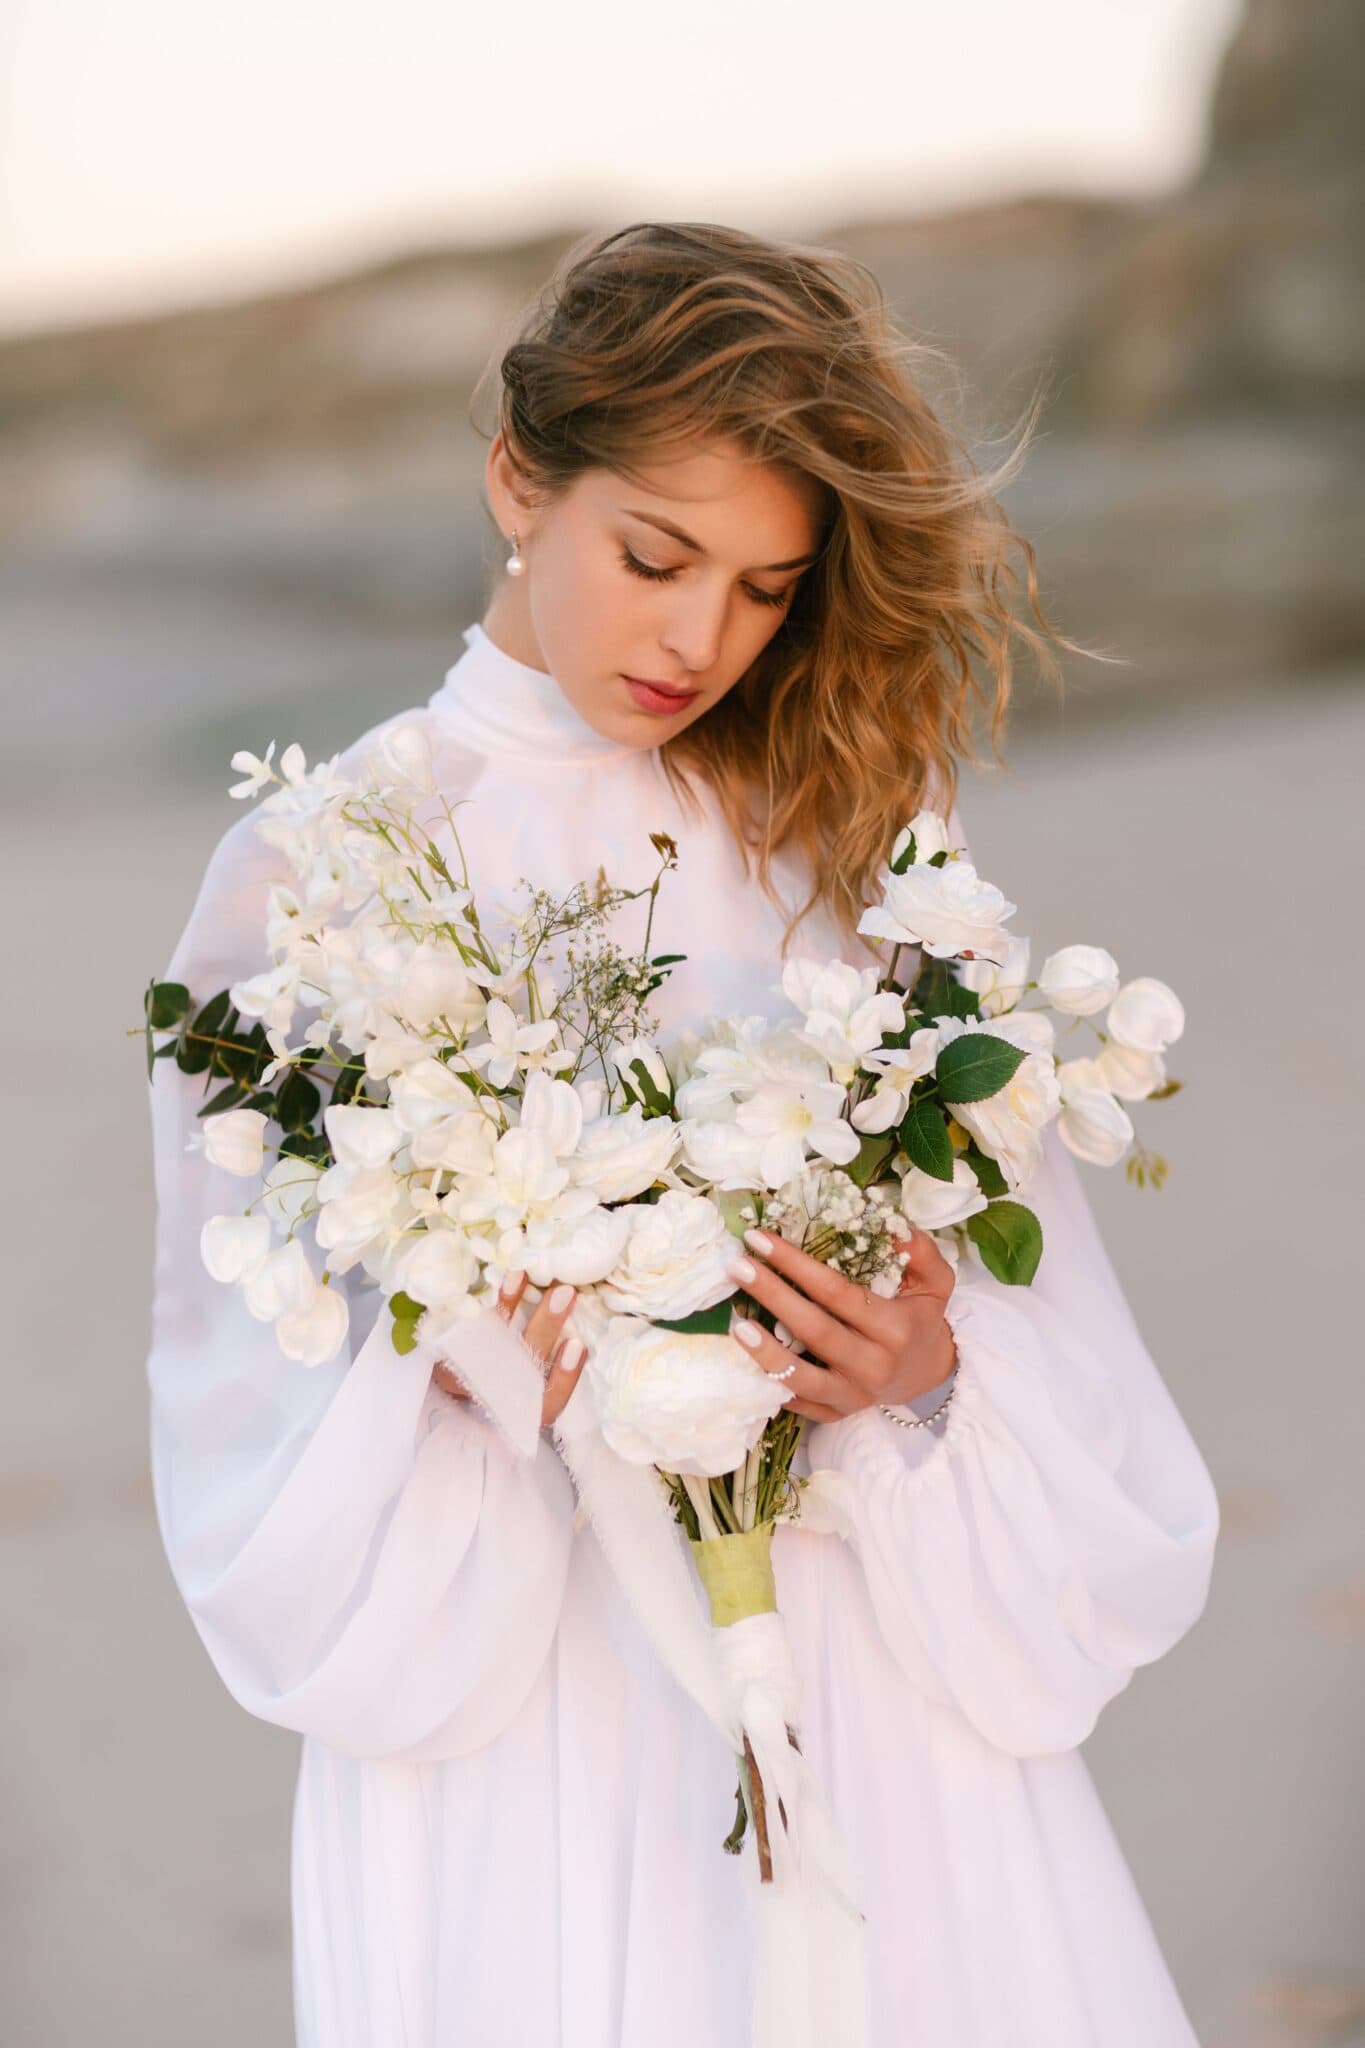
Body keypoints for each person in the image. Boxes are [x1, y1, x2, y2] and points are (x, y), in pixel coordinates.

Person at [146, 221, 1220, 2046]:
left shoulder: (847, 844)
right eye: (656, 556)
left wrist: (923, 1369)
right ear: (517, 477)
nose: (697, 637)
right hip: (532, 1726)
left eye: (763, 589)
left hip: (870, 1697)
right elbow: (255, 1404)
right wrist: (482, 1374)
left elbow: (1040, 1335)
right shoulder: (321, 878)